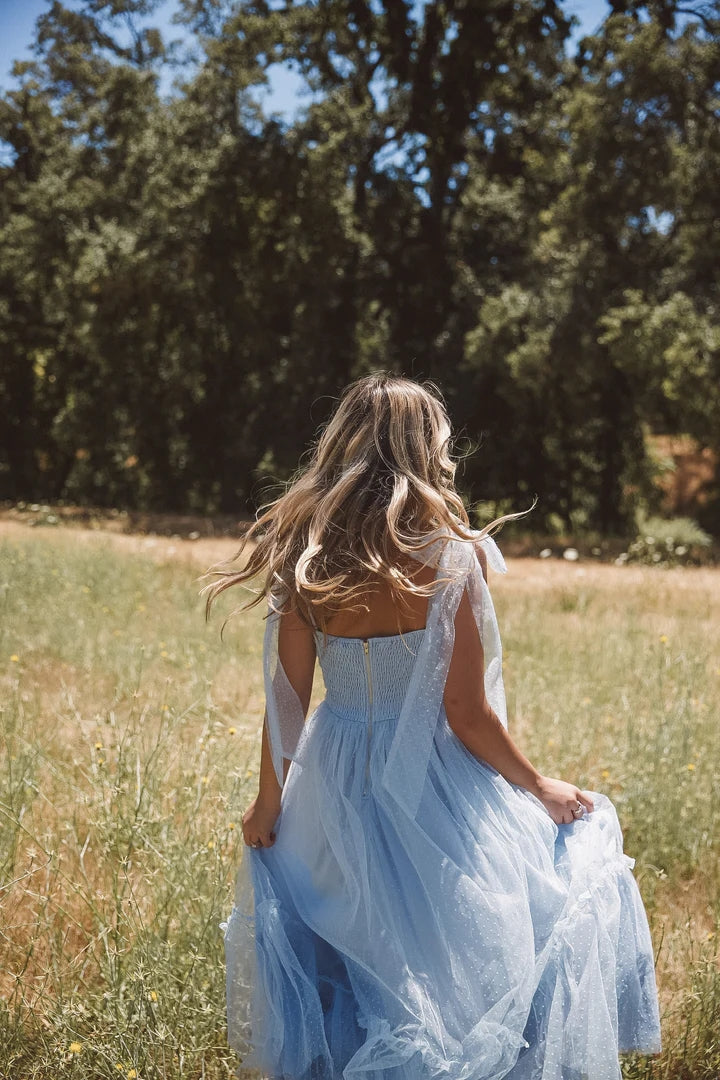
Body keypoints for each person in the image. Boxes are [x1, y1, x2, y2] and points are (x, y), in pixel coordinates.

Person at [201, 373, 662, 1080]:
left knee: (353, 949)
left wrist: (269, 802)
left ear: (343, 443)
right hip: (429, 778)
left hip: (335, 775)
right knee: (455, 956)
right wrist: (538, 786)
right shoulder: (450, 556)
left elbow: (288, 696)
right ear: (429, 449)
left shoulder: (309, 555)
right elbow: (464, 712)